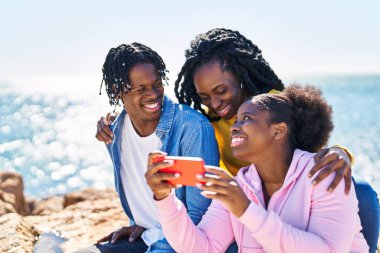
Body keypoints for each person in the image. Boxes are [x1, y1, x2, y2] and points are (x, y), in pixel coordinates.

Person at [95, 28, 379, 251]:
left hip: (280, 205)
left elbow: (310, 142)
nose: (215, 103)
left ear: (240, 78)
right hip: (241, 203)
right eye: (205, 97)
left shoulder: (274, 108)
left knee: (360, 191)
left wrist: (341, 154)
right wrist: (160, 205)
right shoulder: (208, 123)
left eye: (221, 91)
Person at [146, 84, 369, 252]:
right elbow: (202, 248)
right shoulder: (239, 185)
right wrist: (165, 199)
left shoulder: (324, 173)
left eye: (247, 118)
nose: (235, 127)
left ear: (278, 131)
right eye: (236, 121)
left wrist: (246, 210)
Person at [75, 43, 219, 253]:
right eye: (141, 89)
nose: (153, 95)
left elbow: (200, 218)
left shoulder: (193, 129)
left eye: (157, 85)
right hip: (143, 238)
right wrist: (140, 223)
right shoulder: (114, 133)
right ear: (118, 92)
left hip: (181, 246)